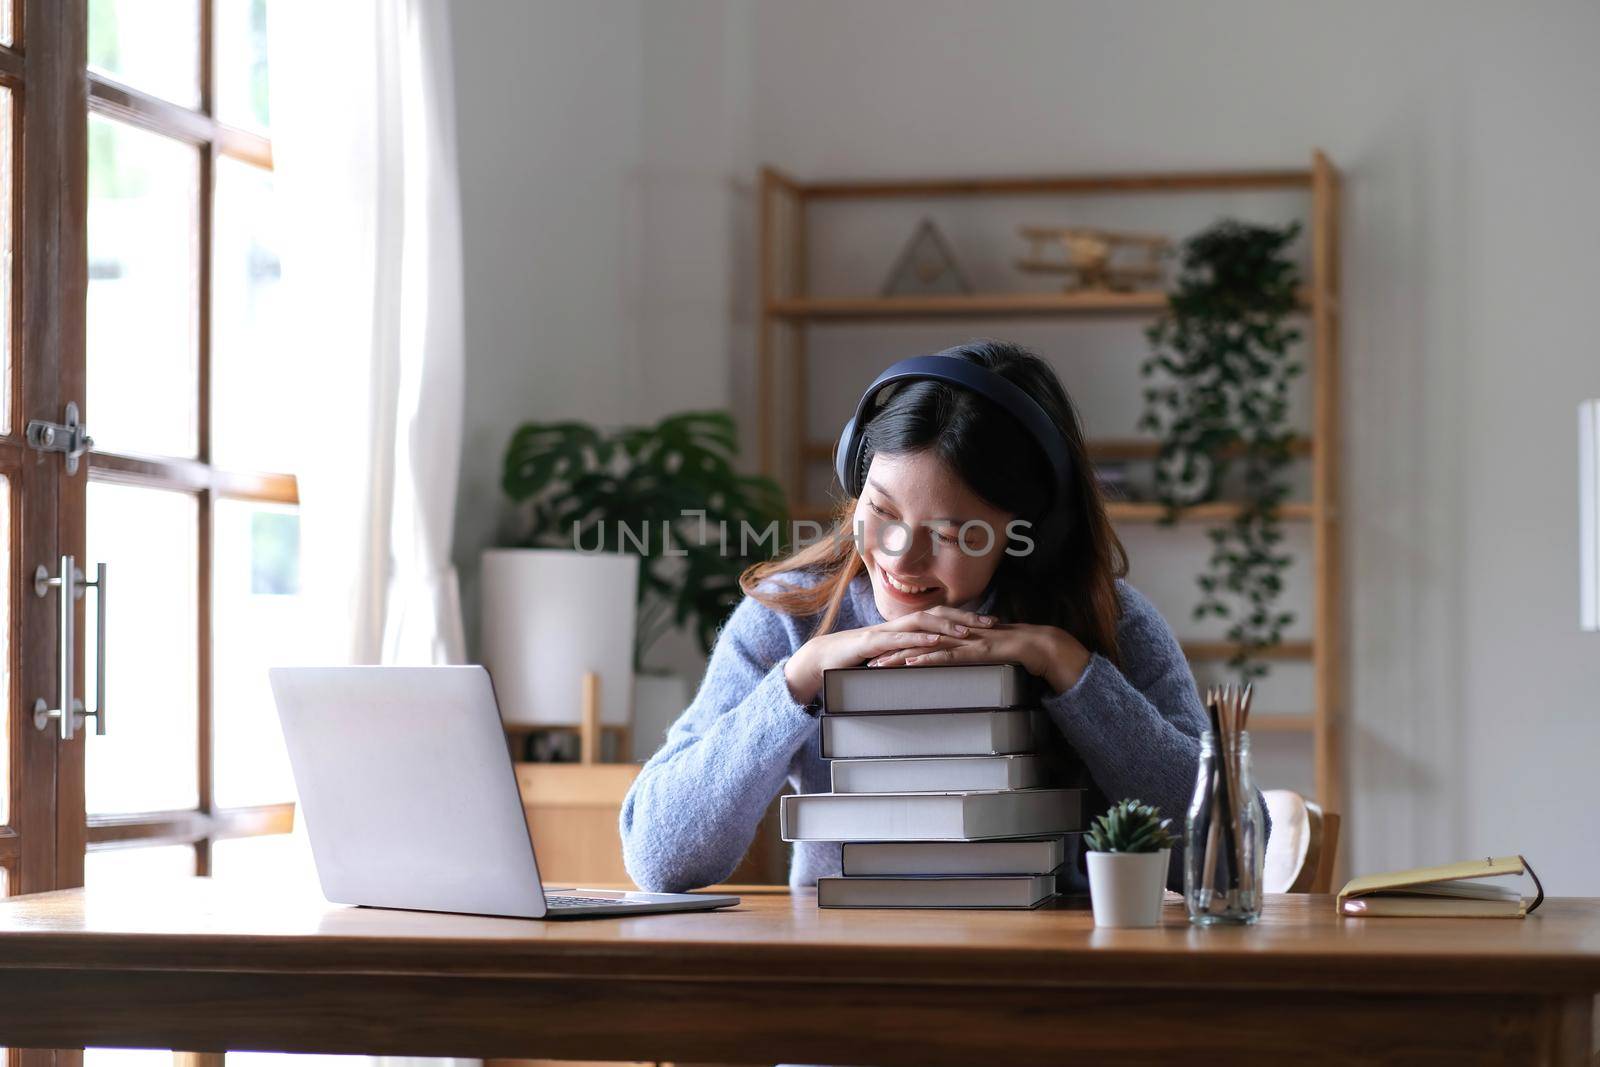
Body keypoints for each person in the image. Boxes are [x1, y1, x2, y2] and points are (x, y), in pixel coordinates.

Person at [619, 338, 1263, 894]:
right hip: (840, 981)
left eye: (954, 534)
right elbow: (658, 856)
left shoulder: (1107, 622)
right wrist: (798, 679)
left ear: (1027, 533)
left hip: (1055, 984)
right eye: (884, 510)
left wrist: (1072, 672)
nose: (901, 557)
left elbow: (1236, 859)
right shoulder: (792, 618)